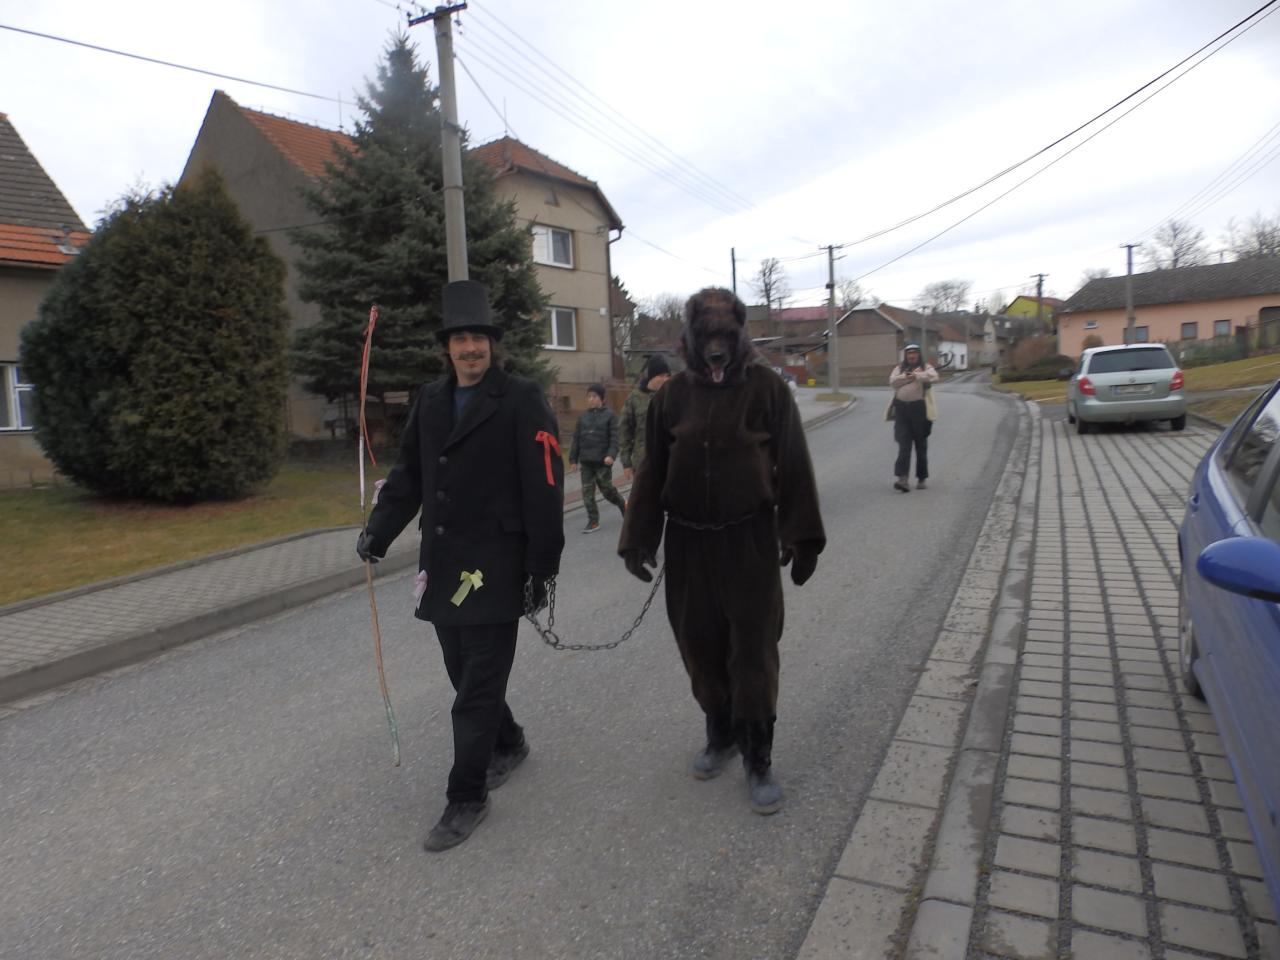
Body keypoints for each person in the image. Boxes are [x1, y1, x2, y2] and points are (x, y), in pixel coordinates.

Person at [356, 280, 565, 852]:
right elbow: (410, 477)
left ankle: (466, 797)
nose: (470, 348)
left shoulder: (520, 398)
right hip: (445, 566)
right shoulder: (430, 400)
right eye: (460, 339)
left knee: (474, 689)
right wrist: (378, 532)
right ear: (447, 346)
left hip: (499, 567)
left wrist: (542, 567)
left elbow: (545, 486)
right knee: (463, 673)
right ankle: (509, 741)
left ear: (491, 344)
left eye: (479, 338)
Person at [619, 287, 825, 815]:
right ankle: (721, 733)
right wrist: (638, 538)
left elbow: (793, 463)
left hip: (749, 540)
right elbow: (651, 472)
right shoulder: (670, 398)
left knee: (753, 650)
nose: (716, 351)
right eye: (706, 340)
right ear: (691, 341)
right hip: (688, 544)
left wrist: (802, 537)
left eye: (725, 340)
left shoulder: (767, 390)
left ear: (739, 339)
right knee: (699, 644)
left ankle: (758, 755)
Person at [569, 383, 626, 533]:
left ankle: (623, 504)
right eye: (588, 397)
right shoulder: (583, 418)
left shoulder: (610, 416)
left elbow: (615, 438)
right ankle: (593, 521)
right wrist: (573, 460)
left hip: (603, 461)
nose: (591, 399)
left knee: (607, 490)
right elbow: (576, 439)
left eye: (594, 396)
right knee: (587, 493)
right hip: (586, 462)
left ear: (602, 398)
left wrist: (611, 455)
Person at [888, 342, 939, 492]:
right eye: (909, 353)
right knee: (903, 445)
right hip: (901, 410)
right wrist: (907, 377)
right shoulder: (899, 368)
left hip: (920, 410)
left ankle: (922, 478)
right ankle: (902, 478)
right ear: (906, 355)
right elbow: (893, 381)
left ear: (918, 354)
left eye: (914, 353)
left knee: (921, 445)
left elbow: (934, 376)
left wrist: (917, 375)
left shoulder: (926, 367)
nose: (912, 356)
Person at [619, 354, 672, 483]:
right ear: (651, 376)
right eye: (661, 375)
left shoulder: (673, 397)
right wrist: (626, 463)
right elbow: (624, 431)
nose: (665, 379)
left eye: (667, 376)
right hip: (643, 463)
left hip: (669, 462)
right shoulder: (634, 398)